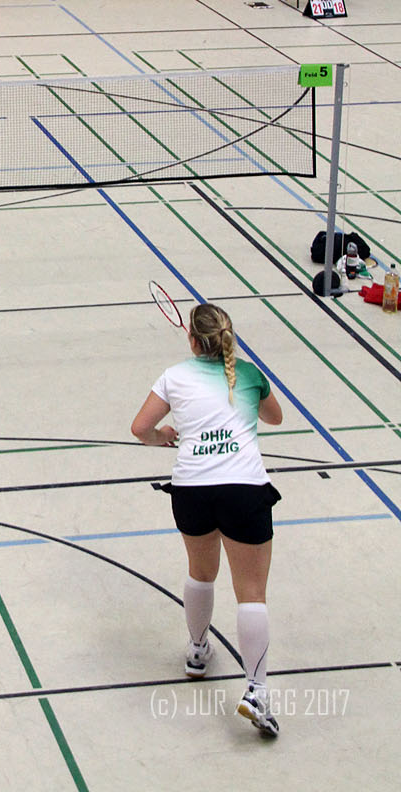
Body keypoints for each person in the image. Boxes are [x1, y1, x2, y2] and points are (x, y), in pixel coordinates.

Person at [131, 302, 284, 738]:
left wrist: (162, 436)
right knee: (251, 592)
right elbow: (275, 417)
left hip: (192, 490)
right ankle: (256, 691)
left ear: (193, 341)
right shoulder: (250, 374)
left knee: (201, 572)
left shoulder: (174, 376)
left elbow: (140, 428)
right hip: (243, 490)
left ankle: (197, 652)